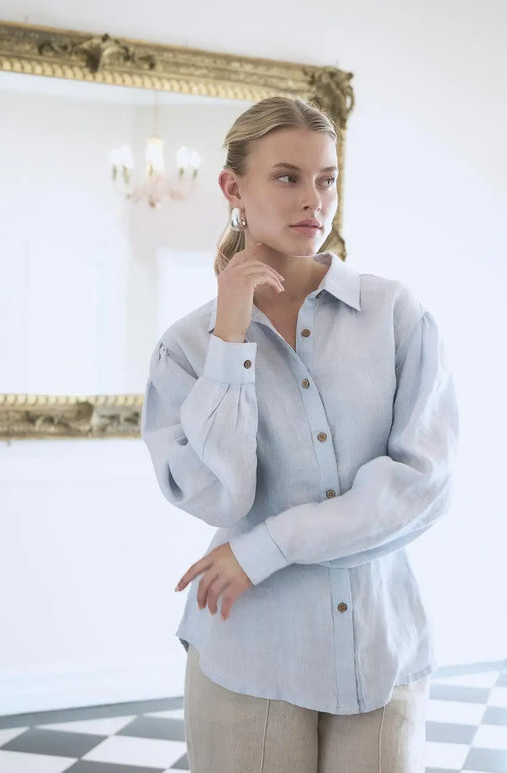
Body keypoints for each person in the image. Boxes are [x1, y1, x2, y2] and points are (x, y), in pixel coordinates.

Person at [141, 96, 458, 773]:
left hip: (380, 649)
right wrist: (231, 339)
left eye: (327, 178)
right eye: (287, 177)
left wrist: (268, 548)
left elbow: (420, 486)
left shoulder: (395, 315)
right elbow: (221, 497)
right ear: (234, 188)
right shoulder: (188, 346)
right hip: (247, 650)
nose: (314, 199)